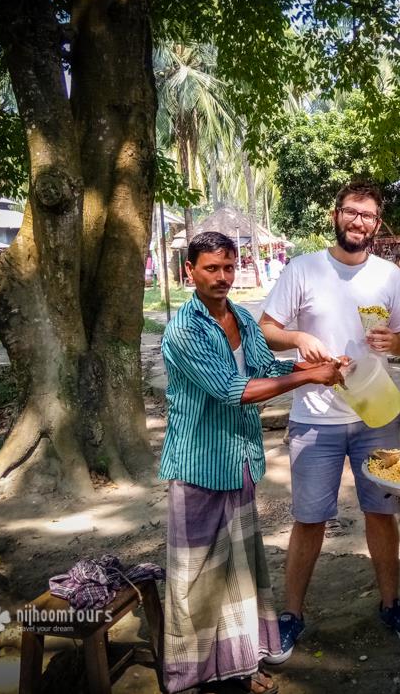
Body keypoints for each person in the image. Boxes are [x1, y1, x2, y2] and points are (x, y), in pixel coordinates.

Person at [159, 231, 345, 694]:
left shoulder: (241, 317)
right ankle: (190, 677)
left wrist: (313, 369)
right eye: (210, 269)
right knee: (196, 577)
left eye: (227, 267)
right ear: (190, 272)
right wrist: (309, 379)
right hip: (198, 465)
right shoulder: (185, 328)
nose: (222, 277)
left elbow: (263, 371)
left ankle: (238, 667)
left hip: (239, 460)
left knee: (238, 571)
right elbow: (231, 390)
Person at [258, 180, 400, 663]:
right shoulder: (303, 268)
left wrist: (396, 344)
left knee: (381, 512)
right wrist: (297, 339)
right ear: (336, 215)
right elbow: (267, 329)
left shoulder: (389, 275)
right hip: (315, 419)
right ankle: (292, 615)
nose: (359, 221)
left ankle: (391, 604)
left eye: (368, 215)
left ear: (377, 223)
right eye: (351, 212)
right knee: (309, 518)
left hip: (377, 415)